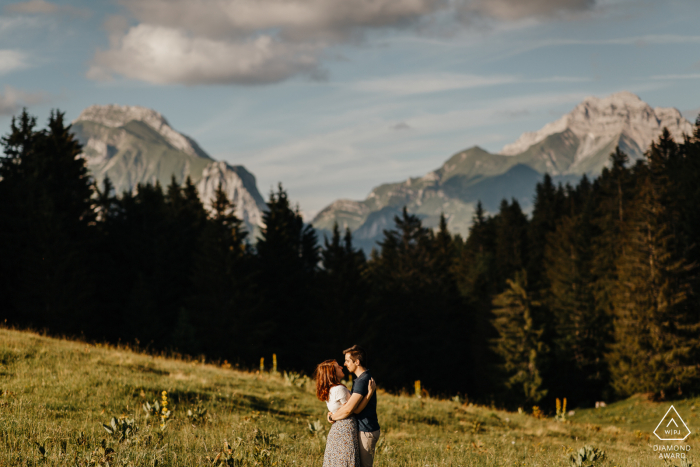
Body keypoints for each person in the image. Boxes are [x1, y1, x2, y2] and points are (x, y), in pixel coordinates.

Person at [315, 359, 376, 467]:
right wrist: (369, 394)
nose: (341, 367)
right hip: (345, 430)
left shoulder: (329, 389)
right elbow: (353, 409)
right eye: (337, 367)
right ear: (332, 372)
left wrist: (331, 416)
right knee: (347, 461)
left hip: (337, 430)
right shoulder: (339, 389)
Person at [328, 345, 380, 467]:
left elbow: (353, 409)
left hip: (366, 430)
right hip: (364, 429)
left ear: (357, 362)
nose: (345, 364)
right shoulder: (361, 378)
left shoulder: (362, 381)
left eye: (347, 360)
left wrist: (332, 417)